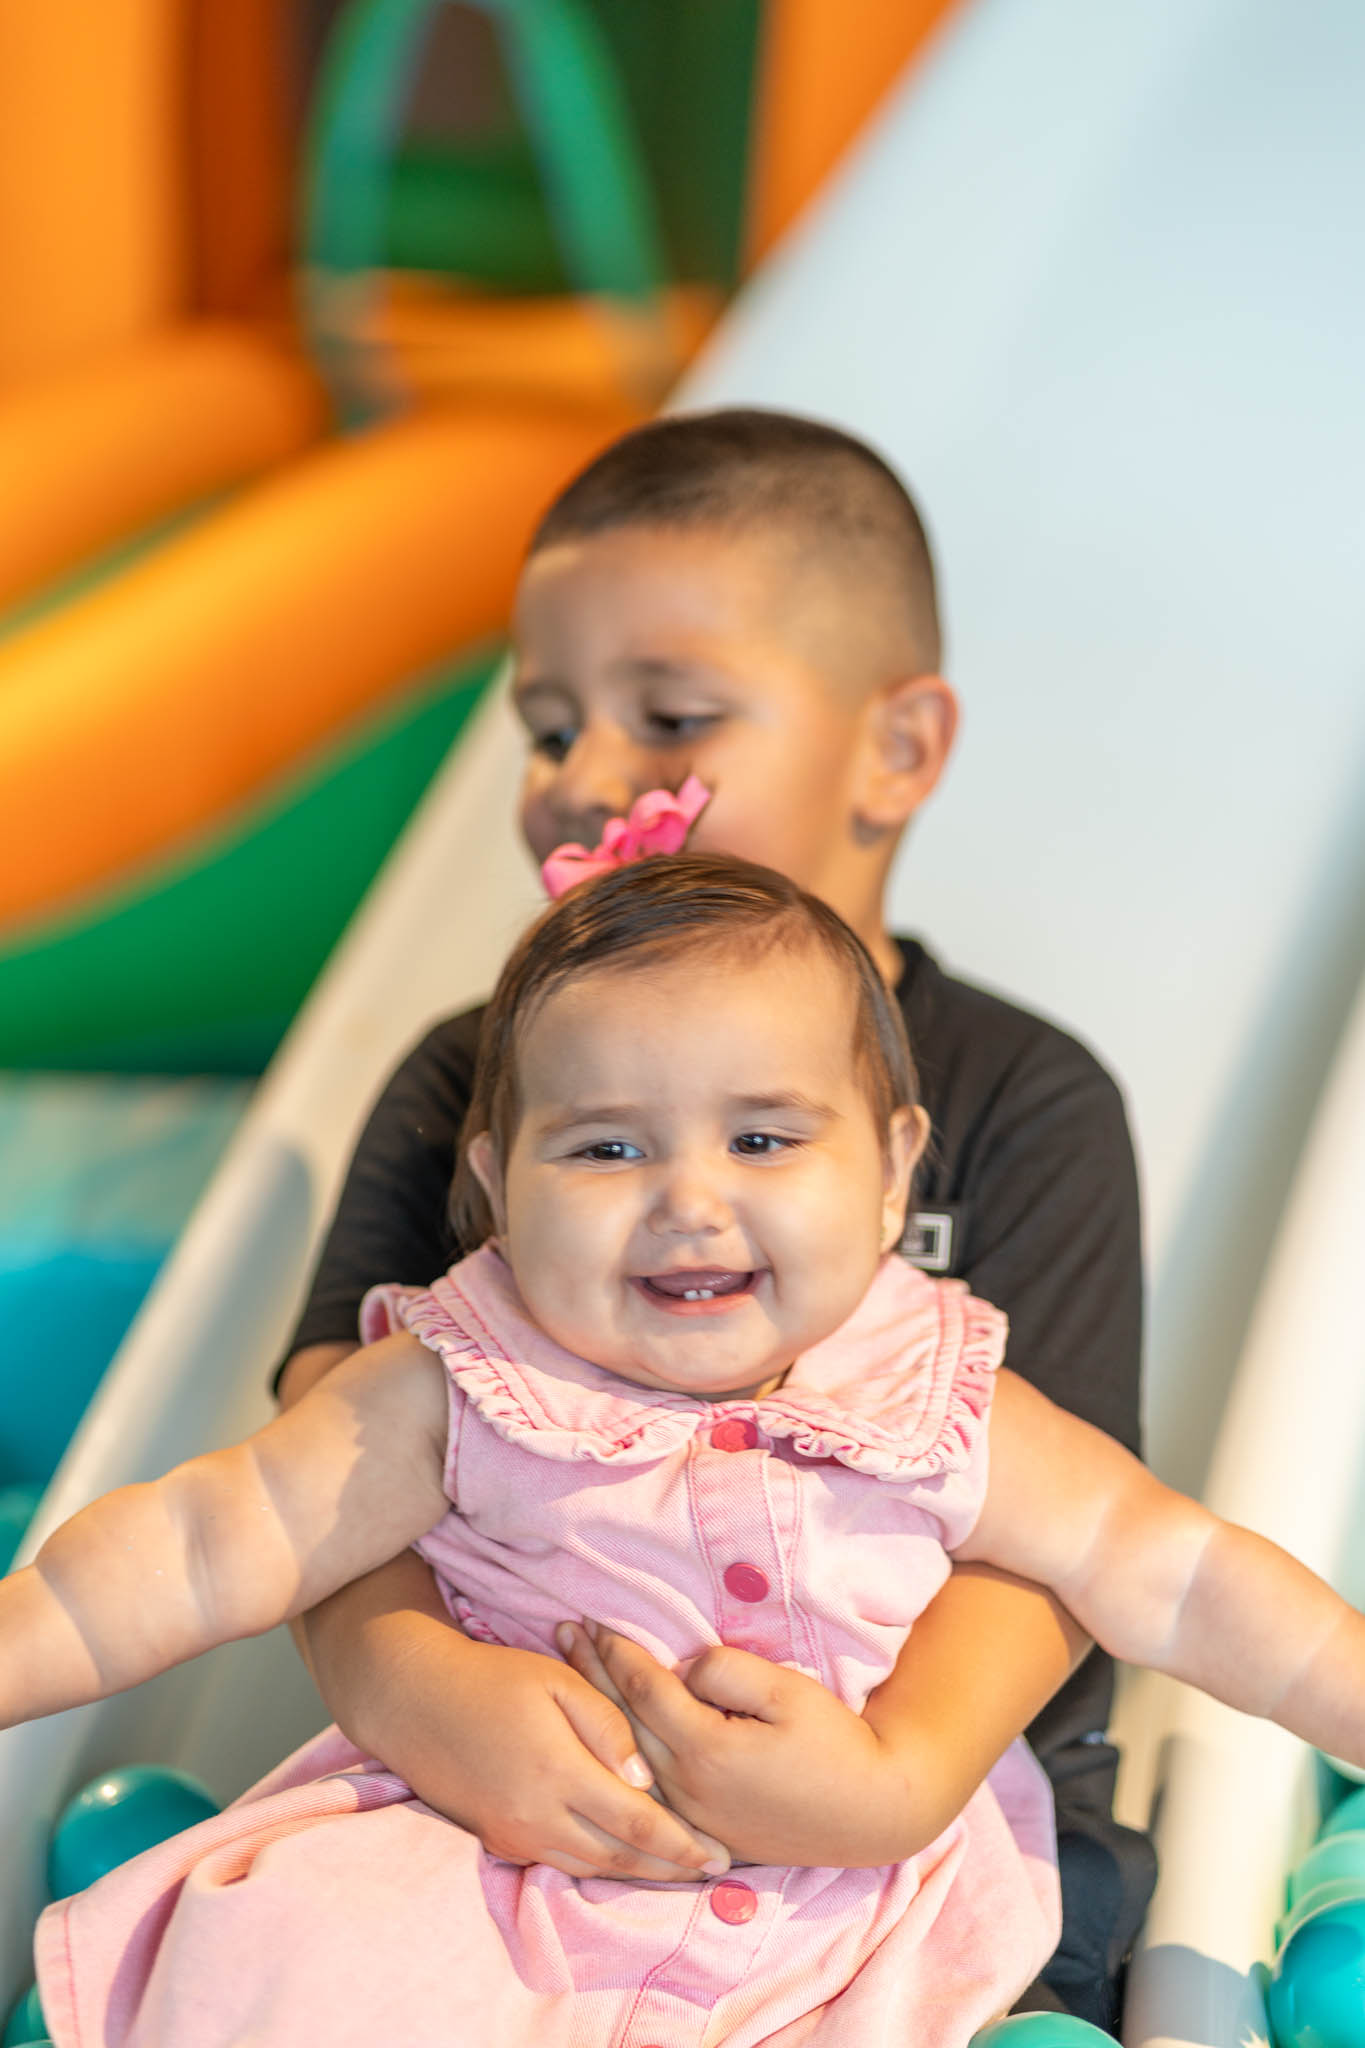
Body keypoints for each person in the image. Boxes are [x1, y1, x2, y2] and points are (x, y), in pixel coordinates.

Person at [25, 857, 1365, 2048]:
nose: (688, 1199)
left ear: (893, 1170)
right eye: (607, 1146)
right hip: (478, 1872)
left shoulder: (943, 1393)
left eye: (763, 1138)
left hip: (834, 1921)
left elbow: (1177, 1578)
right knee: (296, 1974)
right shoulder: (453, 1380)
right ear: (498, 1187)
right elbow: (207, 1541)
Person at [280, 407, 1150, 2025]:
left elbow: (1070, 1542)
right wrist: (414, 1689)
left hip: (939, 1836)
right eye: (548, 726)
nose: (581, 781)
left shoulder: (1023, 1101)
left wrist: (896, 1776)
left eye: (667, 716)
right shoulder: (469, 1083)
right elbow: (322, 1460)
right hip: (515, 1836)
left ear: (894, 751)